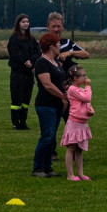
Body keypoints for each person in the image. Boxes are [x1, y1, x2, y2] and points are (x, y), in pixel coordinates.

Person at [32, 32, 67, 178]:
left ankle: (48, 167)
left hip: (57, 105)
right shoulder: (42, 62)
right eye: (58, 44)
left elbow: (60, 81)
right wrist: (62, 97)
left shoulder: (56, 62)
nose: (60, 46)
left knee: (51, 136)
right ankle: (38, 168)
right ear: (51, 46)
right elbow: (47, 84)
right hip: (46, 105)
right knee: (47, 136)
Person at [6, 13, 41, 130]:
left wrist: (31, 61)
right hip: (18, 73)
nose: (26, 24)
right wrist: (25, 61)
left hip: (29, 74)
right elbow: (14, 53)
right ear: (18, 24)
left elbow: (38, 52)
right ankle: (16, 123)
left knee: (26, 99)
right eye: (23, 22)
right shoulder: (14, 38)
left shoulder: (31, 38)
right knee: (17, 99)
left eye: (27, 21)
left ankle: (23, 122)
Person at [61, 65, 94, 181]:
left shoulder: (80, 89)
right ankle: (70, 175)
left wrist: (90, 110)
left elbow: (86, 103)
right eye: (83, 75)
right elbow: (87, 98)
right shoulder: (72, 89)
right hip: (74, 122)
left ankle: (80, 174)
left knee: (79, 149)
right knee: (71, 148)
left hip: (82, 122)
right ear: (75, 78)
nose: (86, 78)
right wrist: (88, 86)